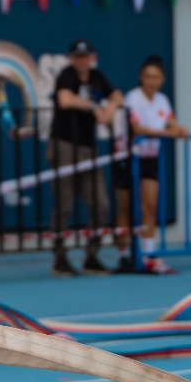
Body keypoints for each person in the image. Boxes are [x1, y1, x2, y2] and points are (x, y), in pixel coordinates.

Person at [48, 39, 123, 277]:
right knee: (64, 204)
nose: (82, 60)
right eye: (77, 56)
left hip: (88, 149)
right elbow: (64, 99)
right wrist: (92, 107)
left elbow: (118, 95)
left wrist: (110, 109)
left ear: (93, 56)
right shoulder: (66, 75)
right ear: (71, 57)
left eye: (86, 56)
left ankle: (92, 255)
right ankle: (60, 257)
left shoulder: (96, 75)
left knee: (100, 203)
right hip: (64, 146)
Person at [117, 56, 189, 274]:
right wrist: (168, 133)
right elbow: (137, 129)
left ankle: (148, 253)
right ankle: (123, 256)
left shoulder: (163, 101)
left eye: (155, 77)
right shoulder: (132, 98)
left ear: (162, 79)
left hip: (150, 158)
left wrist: (180, 130)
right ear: (141, 77)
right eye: (147, 76)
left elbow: (175, 126)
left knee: (149, 206)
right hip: (126, 157)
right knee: (126, 208)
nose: (151, 81)